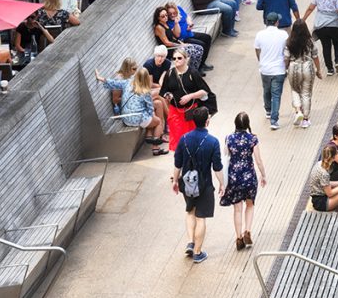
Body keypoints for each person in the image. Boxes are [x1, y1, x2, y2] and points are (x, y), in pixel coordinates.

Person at [172, 107, 224, 264]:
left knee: (190, 212)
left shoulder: (184, 139)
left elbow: (177, 163)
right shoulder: (213, 141)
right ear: (207, 121)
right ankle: (197, 252)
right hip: (205, 185)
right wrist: (222, 183)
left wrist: (175, 180)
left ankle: (190, 241)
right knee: (201, 218)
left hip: (188, 184)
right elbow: (217, 167)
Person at [96, 67, 168, 155]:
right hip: (137, 119)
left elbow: (113, 83)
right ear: (146, 79)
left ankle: (149, 135)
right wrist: (153, 115)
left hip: (126, 118)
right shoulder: (145, 91)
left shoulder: (127, 83)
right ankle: (155, 147)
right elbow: (150, 108)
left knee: (153, 109)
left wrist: (100, 78)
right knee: (158, 121)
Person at [223, 112, 267, 251]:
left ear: (235, 124)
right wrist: (263, 175)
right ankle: (247, 231)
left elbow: (225, 157)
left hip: (234, 177)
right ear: (247, 124)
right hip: (249, 176)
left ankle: (238, 238)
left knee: (237, 209)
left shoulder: (229, 138)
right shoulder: (252, 139)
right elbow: (258, 160)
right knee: (250, 205)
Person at [254, 12, 289, 129]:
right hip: (279, 69)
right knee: (276, 94)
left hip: (265, 69)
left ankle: (268, 110)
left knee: (266, 90)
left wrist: (261, 61)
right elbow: (287, 50)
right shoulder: (283, 34)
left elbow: (257, 50)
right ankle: (274, 120)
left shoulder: (259, 34)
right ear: (277, 22)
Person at [285, 21, 322, 128]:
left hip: (294, 66)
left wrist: (286, 68)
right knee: (306, 93)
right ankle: (305, 119)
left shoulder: (289, 41)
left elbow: (286, 57)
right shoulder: (310, 41)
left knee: (295, 90)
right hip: (308, 66)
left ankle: (298, 110)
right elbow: (315, 56)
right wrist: (318, 70)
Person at [166, 2, 213, 70]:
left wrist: (190, 23)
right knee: (202, 44)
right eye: (170, 14)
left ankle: (202, 63)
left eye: (174, 13)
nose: (172, 15)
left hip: (189, 33)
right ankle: (199, 67)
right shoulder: (169, 22)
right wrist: (176, 23)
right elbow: (177, 35)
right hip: (183, 39)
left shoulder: (179, 8)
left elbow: (187, 16)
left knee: (207, 37)